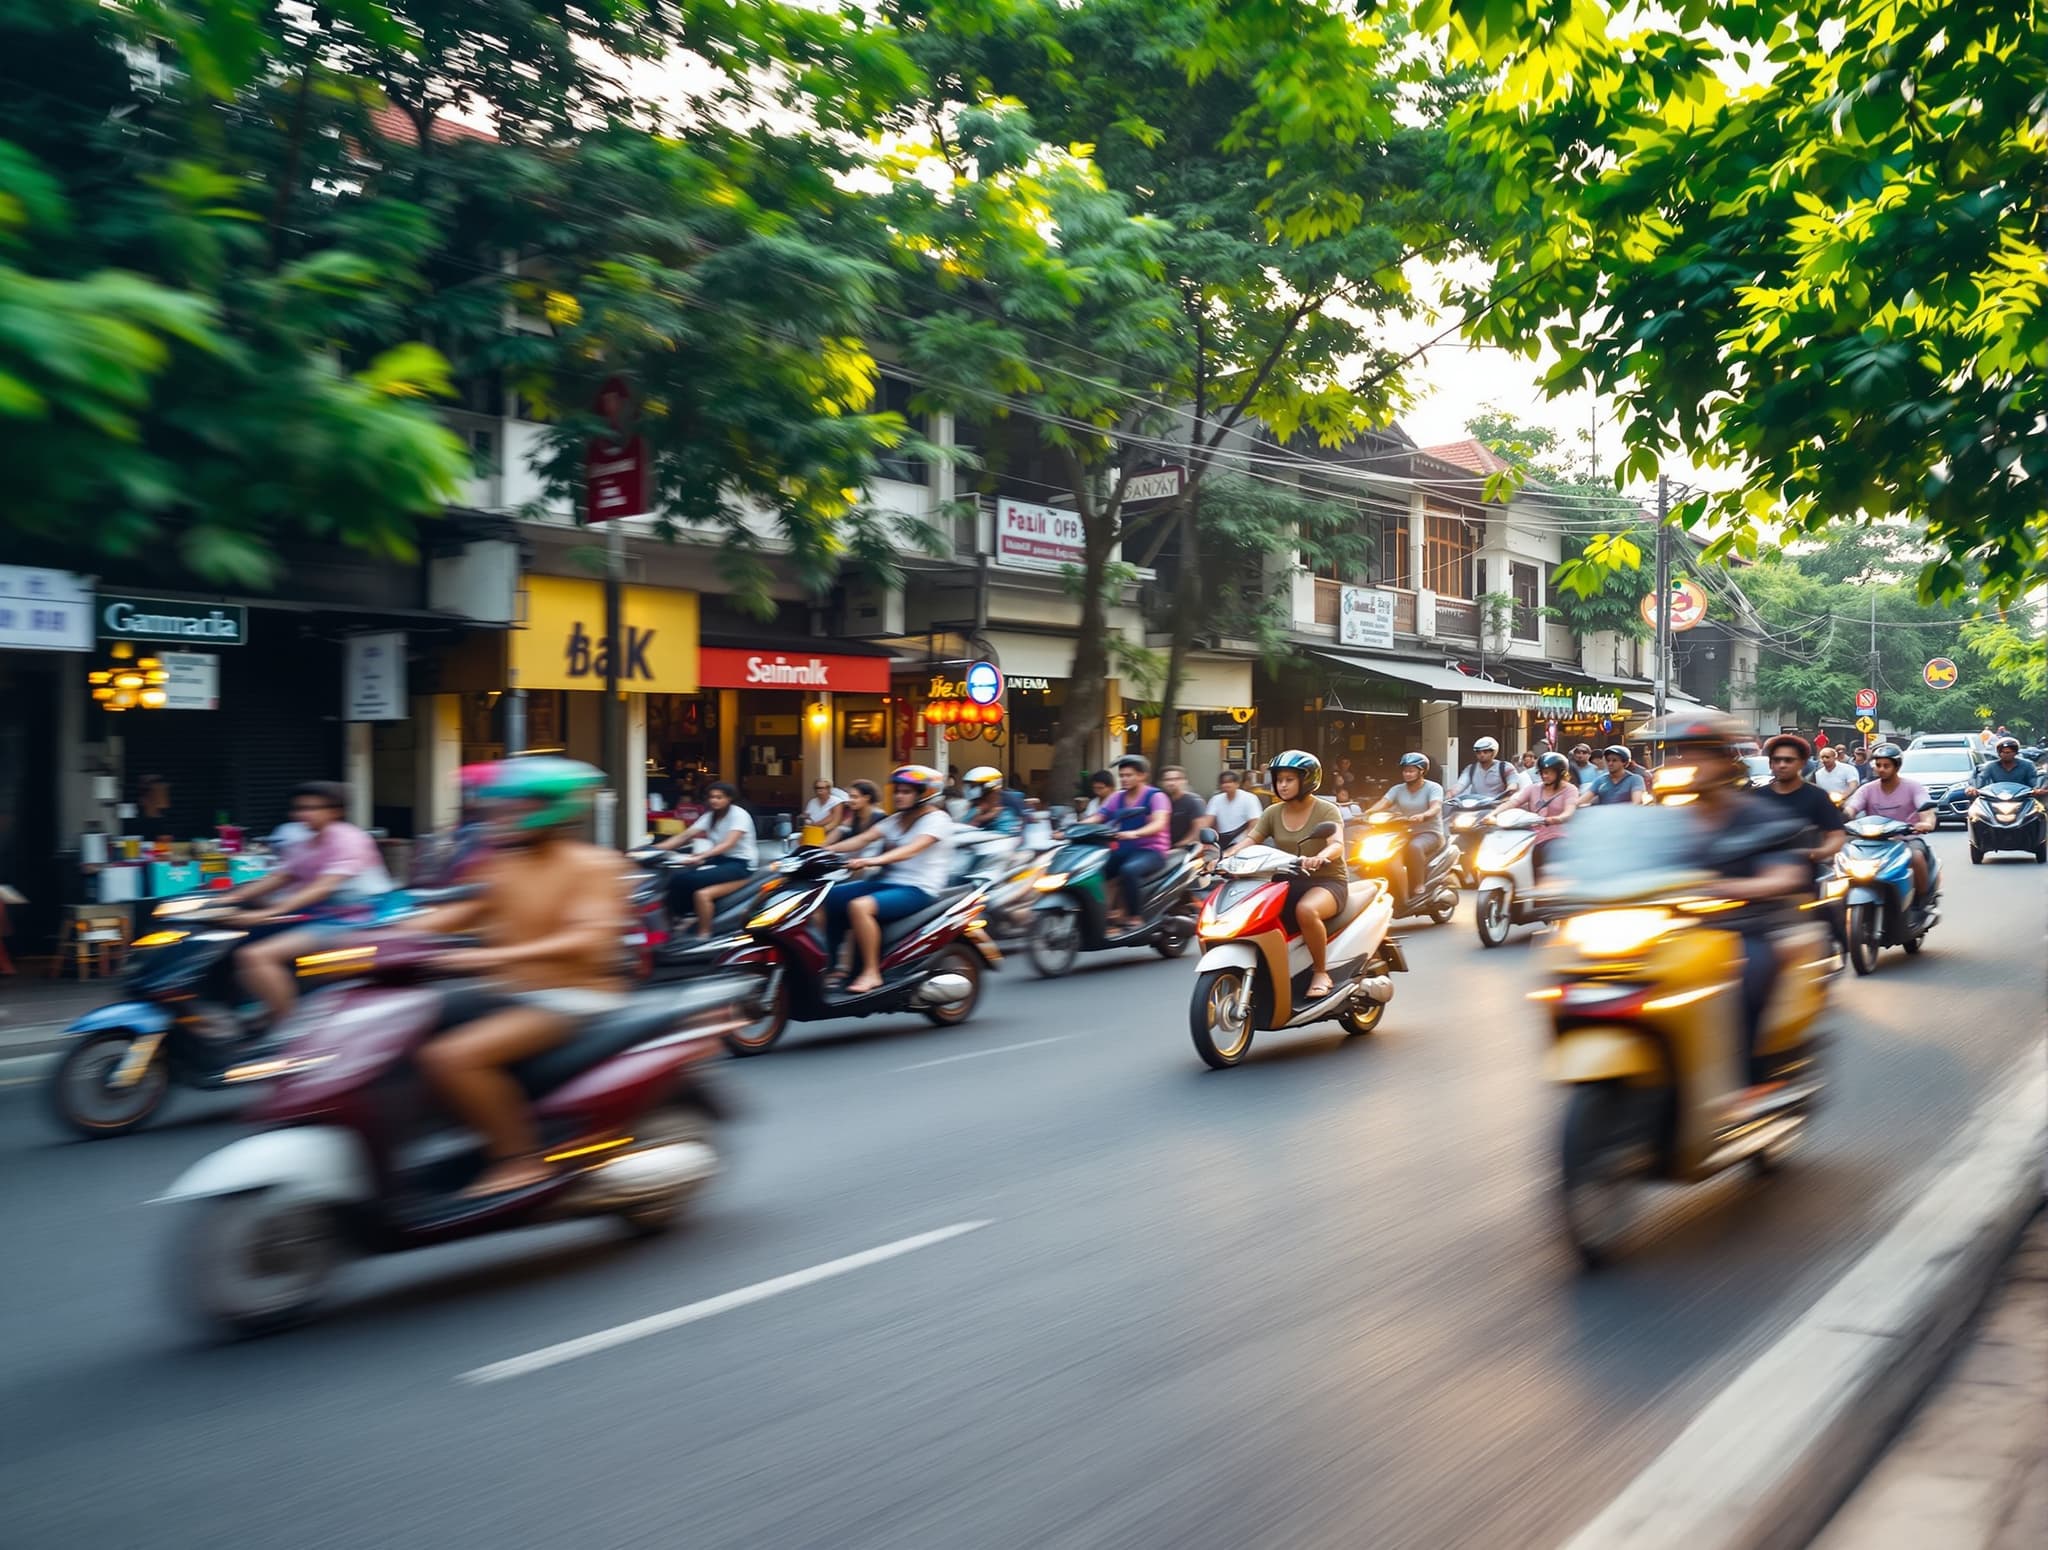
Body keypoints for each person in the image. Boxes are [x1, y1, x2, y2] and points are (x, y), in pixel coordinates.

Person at [408, 757, 634, 1200]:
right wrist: (374, 936)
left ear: (554, 808)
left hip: (572, 997)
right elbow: (458, 913)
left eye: (517, 806)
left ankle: (517, 1158)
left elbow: (585, 938)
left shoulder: (593, 865)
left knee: (453, 1057)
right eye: (502, 807)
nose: (503, 816)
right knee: (406, 1024)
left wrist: (489, 957)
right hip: (510, 991)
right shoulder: (501, 865)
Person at [1644, 717, 1811, 1106]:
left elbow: (1784, 876)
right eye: (1681, 755)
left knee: (1746, 977)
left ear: (1724, 762)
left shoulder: (1759, 816)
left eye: (1697, 755)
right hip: (1678, 930)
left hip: (1746, 929)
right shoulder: (1669, 821)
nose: (1686, 763)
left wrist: (1721, 888)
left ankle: (1748, 1082)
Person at [227, 781, 395, 1025]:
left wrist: (268, 913)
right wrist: (229, 898)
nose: (302, 815)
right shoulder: (306, 841)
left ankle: (286, 1029)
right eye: (299, 808)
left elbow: (322, 887)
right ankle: (264, 1003)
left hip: (358, 917)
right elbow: (281, 876)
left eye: (311, 808)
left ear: (336, 811)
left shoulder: (349, 839)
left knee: (255, 956)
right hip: (323, 913)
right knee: (240, 936)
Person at [1224, 749, 1348, 999]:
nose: (1282, 785)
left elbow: (1337, 843)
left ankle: (1321, 972)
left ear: (1307, 780)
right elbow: (1251, 839)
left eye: (1289, 779)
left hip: (1326, 881)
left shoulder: (1326, 810)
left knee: (1306, 910)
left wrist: (1322, 856)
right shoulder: (1272, 812)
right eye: (1279, 779)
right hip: (1288, 878)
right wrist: (1226, 857)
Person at [824, 765, 954, 993]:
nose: (898, 796)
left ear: (924, 794)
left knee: (859, 907)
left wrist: (871, 861)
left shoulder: (937, 820)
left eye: (906, 792)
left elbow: (913, 849)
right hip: (887, 883)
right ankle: (833, 968)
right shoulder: (895, 820)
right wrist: (822, 852)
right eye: (897, 791)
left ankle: (872, 972)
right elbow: (862, 839)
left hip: (918, 888)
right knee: (826, 898)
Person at [655, 781, 757, 938]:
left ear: (729, 799)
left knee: (691, 882)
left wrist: (702, 856)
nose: (714, 800)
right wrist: (654, 850)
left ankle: (703, 933)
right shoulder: (710, 816)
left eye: (719, 797)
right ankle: (680, 918)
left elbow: (727, 844)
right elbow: (685, 835)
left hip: (741, 864)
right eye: (711, 797)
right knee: (674, 877)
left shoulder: (739, 815)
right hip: (721, 859)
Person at [1843, 743, 1937, 912]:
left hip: (1906, 838)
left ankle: (1921, 901)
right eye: (1878, 765)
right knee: (1843, 855)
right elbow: (1852, 807)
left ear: (1897, 767)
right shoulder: (1867, 789)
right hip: (1872, 841)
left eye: (1886, 766)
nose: (1881, 769)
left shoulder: (1913, 787)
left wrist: (1926, 822)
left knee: (1916, 857)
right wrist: (1844, 816)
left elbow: (1926, 809)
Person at [1096, 754, 1173, 927]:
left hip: (1152, 851)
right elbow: (1099, 816)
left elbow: (1159, 823)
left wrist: (1136, 833)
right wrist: (1072, 829)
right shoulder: (1117, 797)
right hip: (1124, 849)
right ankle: (1103, 915)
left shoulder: (1156, 796)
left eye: (1128, 775)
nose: (1124, 779)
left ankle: (1134, 917)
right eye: (1121, 776)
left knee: (1129, 870)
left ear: (1142, 775)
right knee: (1094, 870)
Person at [1365, 752, 1447, 907]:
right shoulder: (1397, 789)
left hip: (1430, 833)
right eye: (1405, 770)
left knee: (1414, 847)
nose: (1407, 774)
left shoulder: (1433, 788)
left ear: (1421, 771)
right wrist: (1366, 814)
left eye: (1411, 771)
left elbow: (1435, 807)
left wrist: (1424, 815)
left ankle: (1418, 883)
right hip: (1404, 832)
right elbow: (1383, 803)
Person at [1499, 751, 1581, 871]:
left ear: (1560, 773)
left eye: (1548, 772)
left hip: (1558, 837)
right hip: (1533, 836)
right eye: (1542, 772)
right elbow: (1514, 802)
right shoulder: (1533, 788)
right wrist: (1492, 814)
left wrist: (1557, 818)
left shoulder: (1570, 789)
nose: (1544, 776)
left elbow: (1569, 810)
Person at [1965, 736, 2047, 798]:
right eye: (2003, 752)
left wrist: (2038, 790)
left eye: (2009, 752)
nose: (2005, 755)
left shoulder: (2027, 765)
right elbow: (1980, 780)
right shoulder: (1990, 766)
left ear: (2015, 753)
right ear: (1998, 753)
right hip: (1996, 799)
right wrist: (1972, 788)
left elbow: (2034, 781)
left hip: (2023, 799)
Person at [1206, 769, 1264, 851]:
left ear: (1237, 784)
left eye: (1230, 782)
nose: (1226, 785)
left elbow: (1254, 824)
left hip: (1244, 843)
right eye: (1224, 782)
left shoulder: (1250, 798)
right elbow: (1207, 821)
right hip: (1220, 844)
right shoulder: (1215, 799)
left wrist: (1243, 844)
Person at [1159, 765, 1212, 852]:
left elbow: (1198, 830)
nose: (1172, 783)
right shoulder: (1159, 800)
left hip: (1188, 849)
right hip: (1162, 849)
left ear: (1184, 781)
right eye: (1168, 780)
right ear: (1162, 783)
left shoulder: (1193, 801)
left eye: (1176, 779)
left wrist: (1177, 846)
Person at [961, 764, 1023, 836]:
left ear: (989, 785)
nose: (967, 789)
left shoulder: (1005, 815)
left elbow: (1003, 840)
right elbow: (961, 832)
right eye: (968, 785)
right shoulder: (975, 809)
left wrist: (981, 819)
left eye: (973, 786)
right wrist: (978, 819)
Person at [1582, 744, 1649, 806]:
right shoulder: (1600, 780)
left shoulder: (1635, 779)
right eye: (1608, 760)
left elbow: (1636, 802)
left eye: (1614, 760)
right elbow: (1583, 799)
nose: (1610, 763)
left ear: (1624, 762)